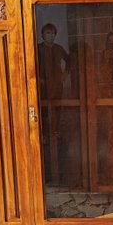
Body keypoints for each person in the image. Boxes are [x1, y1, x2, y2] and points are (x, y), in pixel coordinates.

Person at [38, 23, 70, 184]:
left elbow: (70, 61)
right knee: (43, 114)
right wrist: (38, 79)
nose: (50, 35)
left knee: (57, 111)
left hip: (57, 87)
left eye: (52, 33)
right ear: (43, 35)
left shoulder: (58, 49)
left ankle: (56, 132)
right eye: (47, 33)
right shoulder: (38, 49)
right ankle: (43, 135)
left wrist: (65, 74)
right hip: (42, 88)